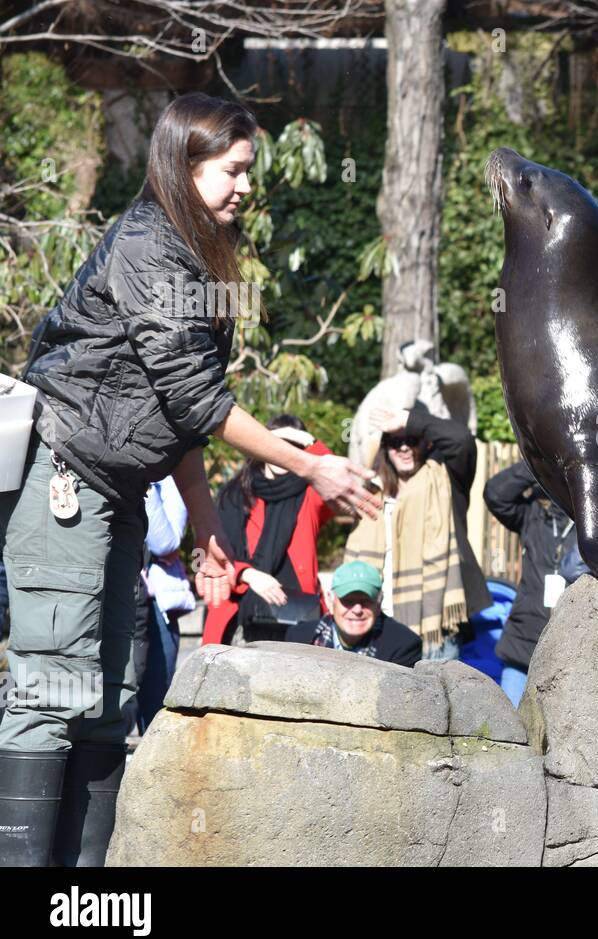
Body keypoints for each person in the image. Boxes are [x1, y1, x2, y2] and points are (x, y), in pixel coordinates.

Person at [0, 93, 378, 868]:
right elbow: (198, 399)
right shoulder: (149, 245)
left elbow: (181, 419)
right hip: (64, 478)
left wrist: (208, 530)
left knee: (110, 699)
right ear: (185, 162)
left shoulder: (200, 260)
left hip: (122, 493)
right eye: (232, 169)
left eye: (249, 171)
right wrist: (309, 464)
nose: (245, 186)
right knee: (53, 691)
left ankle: (83, 899)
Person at [347, 399, 491, 662]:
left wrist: (407, 420)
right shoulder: (372, 494)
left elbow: (461, 439)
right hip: (377, 624)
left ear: (426, 442)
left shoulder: (446, 479)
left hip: (432, 627)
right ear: (385, 448)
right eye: (395, 442)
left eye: (412, 439)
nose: (403, 448)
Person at [202, 416, 336, 645]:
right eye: (274, 446)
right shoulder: (234, 495)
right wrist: (248, 574)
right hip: (239, 618)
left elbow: (334, 472)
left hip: (298, 617)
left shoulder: (310, 495)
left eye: (292, 447)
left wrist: (304, 438)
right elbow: (211, 554)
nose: (282, 453)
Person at [484, 460, 578, 707]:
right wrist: (539, 460)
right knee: (511, 731)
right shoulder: (533, 514)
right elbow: (496, 493)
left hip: (571, 650)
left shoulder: (591, 525)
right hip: (522, 647)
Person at [135, 477, 195, 733]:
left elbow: (165, 543)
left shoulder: (168, 481)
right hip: (116, 601)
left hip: (158, 606)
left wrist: (143, 487)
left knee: (156, 702)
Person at [284, 561, 420, 667]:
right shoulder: (298, 638)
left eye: (366, 601)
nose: (357, 610)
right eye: (348, 601)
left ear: (379, 603)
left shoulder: (403, 646)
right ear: (331, 601)